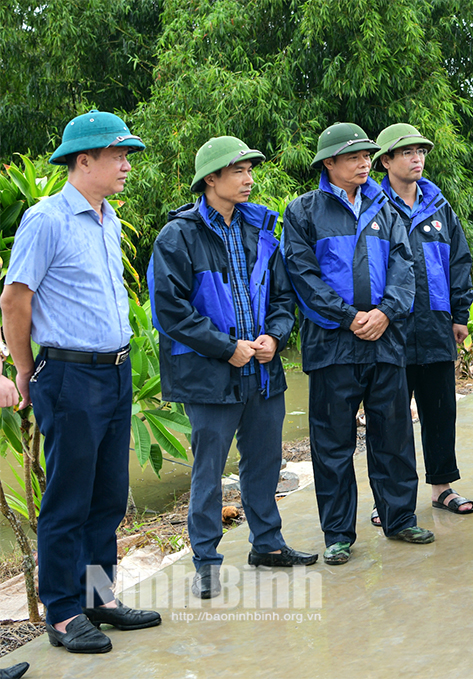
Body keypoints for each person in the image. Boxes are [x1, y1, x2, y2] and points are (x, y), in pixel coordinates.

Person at [0, 110, 160, 653]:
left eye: (127, 156)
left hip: (115, 373)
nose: (126, 166)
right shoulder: (46, 219)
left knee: (108, 497)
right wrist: (25, 369)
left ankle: (99, 598)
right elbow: (14, 300)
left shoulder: (107, 217)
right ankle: (65, 613)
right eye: (117, 156)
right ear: (82, 160)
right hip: (68, 375)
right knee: (68, 500)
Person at [148, 136, 317, 600]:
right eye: (239, 171)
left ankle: (268, 545)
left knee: (264, 463)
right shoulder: (178, 236)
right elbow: (171, 310)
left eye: (249, 170)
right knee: (208, 472)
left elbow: (284, 298)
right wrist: (226, 348)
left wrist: (275, 338)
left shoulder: (260, 229)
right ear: (211, 179)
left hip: (262, 372)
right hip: (210, 377)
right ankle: (206, 561)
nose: (249, 179)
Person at [283, 122, 432, 567]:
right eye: (354, 157)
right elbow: (303, 277)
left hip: (385, 341)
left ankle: (399, 518)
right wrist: (349, 318)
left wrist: (386, 312)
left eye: (368, 156)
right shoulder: (304, 212)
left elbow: (406, 268)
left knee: (394, 436)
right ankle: (338, 533)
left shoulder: (385, 208)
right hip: (332, 346)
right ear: (329, 163)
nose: (365, 162)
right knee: (333, 444)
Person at [371, 123, 473, 516]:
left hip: (434, 324)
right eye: (407, 153)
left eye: (421, 152)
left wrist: (460, 313)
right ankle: (391, 501)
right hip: (391, 328)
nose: (417, 159)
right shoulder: (373, 205)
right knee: (391, 417)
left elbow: (458, 260)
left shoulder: (438, 204)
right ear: (386, 161)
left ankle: (442, 488)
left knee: (440, 409)